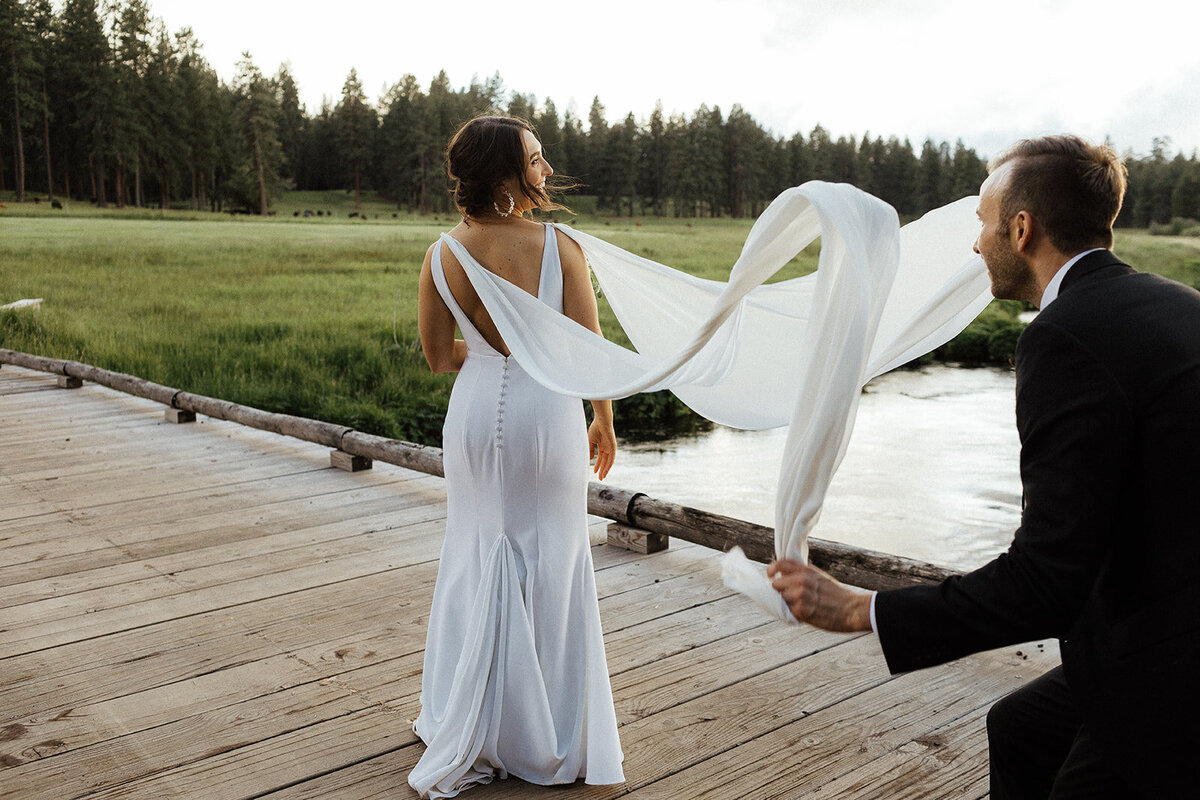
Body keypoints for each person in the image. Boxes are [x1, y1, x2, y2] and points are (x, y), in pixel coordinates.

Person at [768, 134, 1200, 798]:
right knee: (1021, 727)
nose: (976, 245)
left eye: (982, 223)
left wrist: (863, 610)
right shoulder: (1175, 303)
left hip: (1166, 671)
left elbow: (1046, 581)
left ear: (1021, 229)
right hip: (1153, 623)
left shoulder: (1064, 337)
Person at [409, 115, 624, 798]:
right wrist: (604, 420)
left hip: (472, 418)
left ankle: (465, 716)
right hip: (545, 416)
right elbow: (587, 354)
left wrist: (496, 351)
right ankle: (544, 732)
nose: (548, 168)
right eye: (536, 159)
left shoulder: (442, 252)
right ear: (506, 174)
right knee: (552, 560)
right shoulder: (561, 245)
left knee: (475, 551)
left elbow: (440, 357)